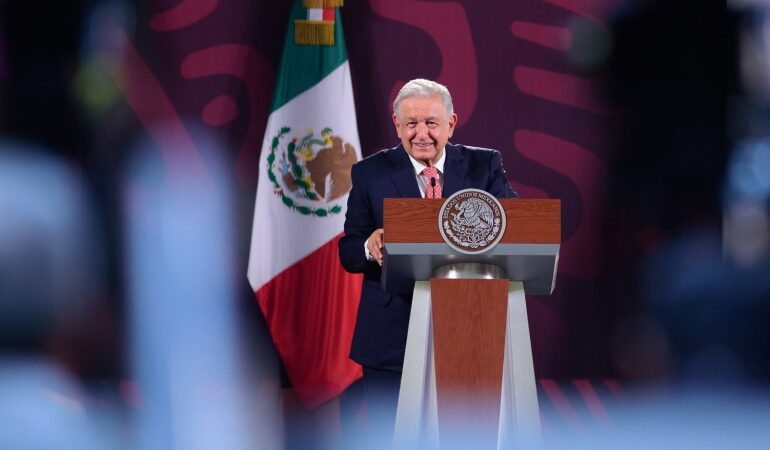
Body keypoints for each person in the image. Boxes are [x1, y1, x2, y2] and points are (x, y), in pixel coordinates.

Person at [338, 78, 517, 435]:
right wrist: (369, 246)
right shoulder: (370, 173)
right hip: (391, 338)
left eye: (431, 123)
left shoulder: (484, 166)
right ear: (397, 125)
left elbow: (514, 226)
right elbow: (348, 251)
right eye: (411, 124)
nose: (421, 134)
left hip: (469, 330)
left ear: (451, 123)